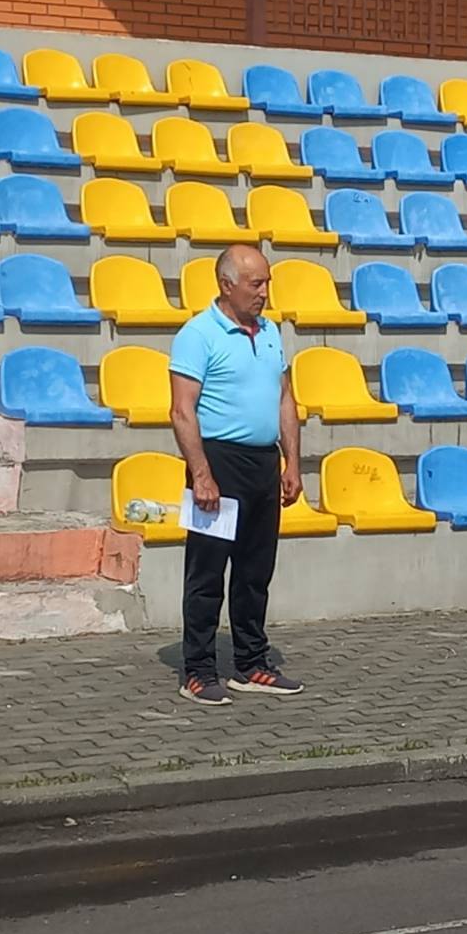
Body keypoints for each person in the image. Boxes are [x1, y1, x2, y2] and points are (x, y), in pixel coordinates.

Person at [168, 243, 304, 705]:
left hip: (262, 462)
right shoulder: (198, 334)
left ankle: (251, 663)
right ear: (227, 285)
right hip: (219, 461)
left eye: (267, 283)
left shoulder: (270, 332)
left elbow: (285, 398)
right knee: (206, 572)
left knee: (255, 570)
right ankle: (198, 670)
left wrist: (292, 461)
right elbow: (182, 410)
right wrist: (201, 474)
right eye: (255, 284)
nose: (264, 292)